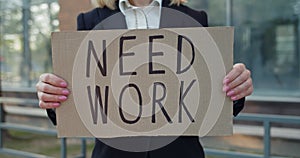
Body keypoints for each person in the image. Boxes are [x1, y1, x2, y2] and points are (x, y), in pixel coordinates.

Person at [36, 0, 253, 157]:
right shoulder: (90, 21)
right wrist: (53, 96)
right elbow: (80, 101)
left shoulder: (194, 19)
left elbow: (212, 98)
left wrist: (235, 89)